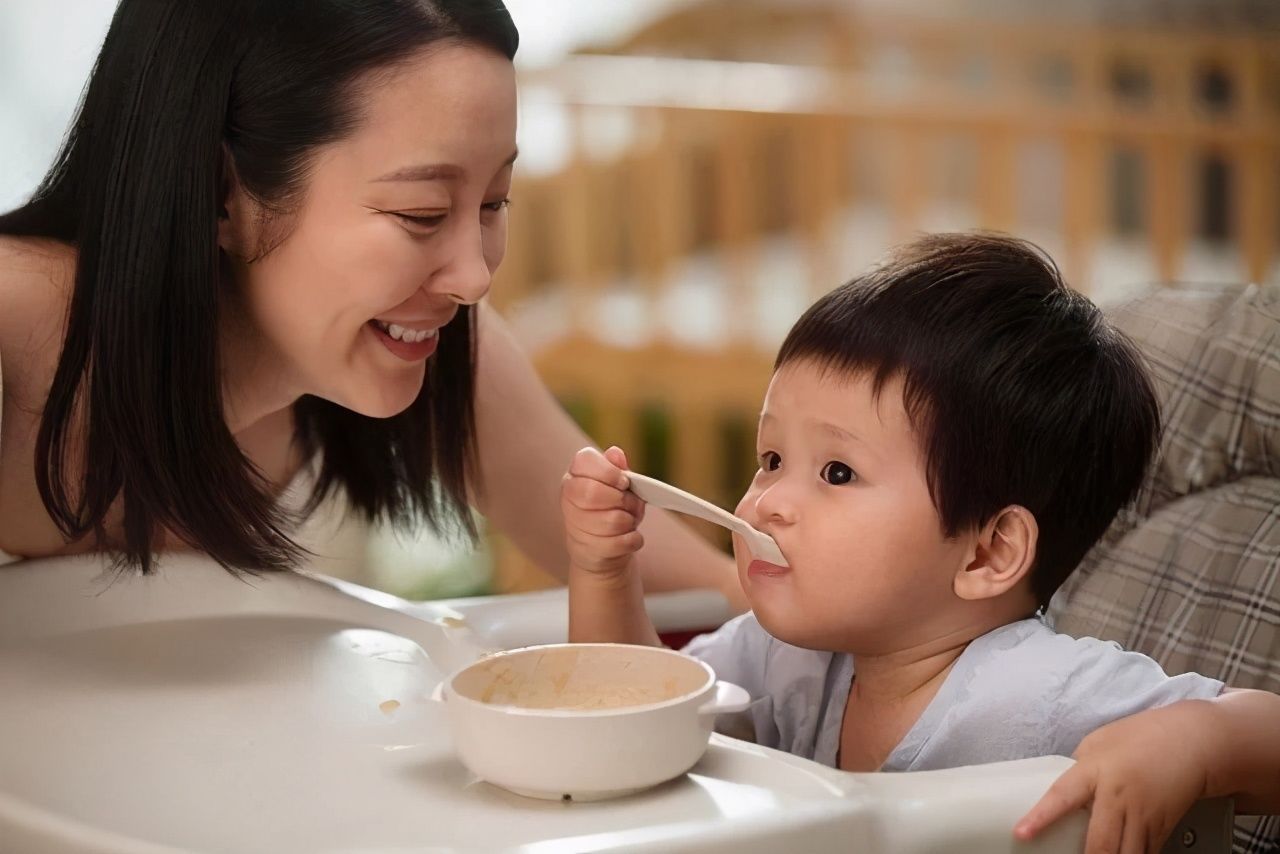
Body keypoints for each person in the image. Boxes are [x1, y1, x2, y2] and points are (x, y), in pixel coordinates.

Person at [0, 0, 739, 607]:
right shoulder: (12, 338)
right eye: (421, 214)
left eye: (492, 203)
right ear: (221, 191)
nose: (474, 279)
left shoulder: (419, 337)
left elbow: (701, 596)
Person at [563, 233, 1280, 853]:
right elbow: (627, 732)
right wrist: (603, 572)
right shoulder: (782, 654)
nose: (770, 501)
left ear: (986, 555)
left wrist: (1197, 741)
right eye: (771, 459)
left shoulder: (1041, 693)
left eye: (836, 472)